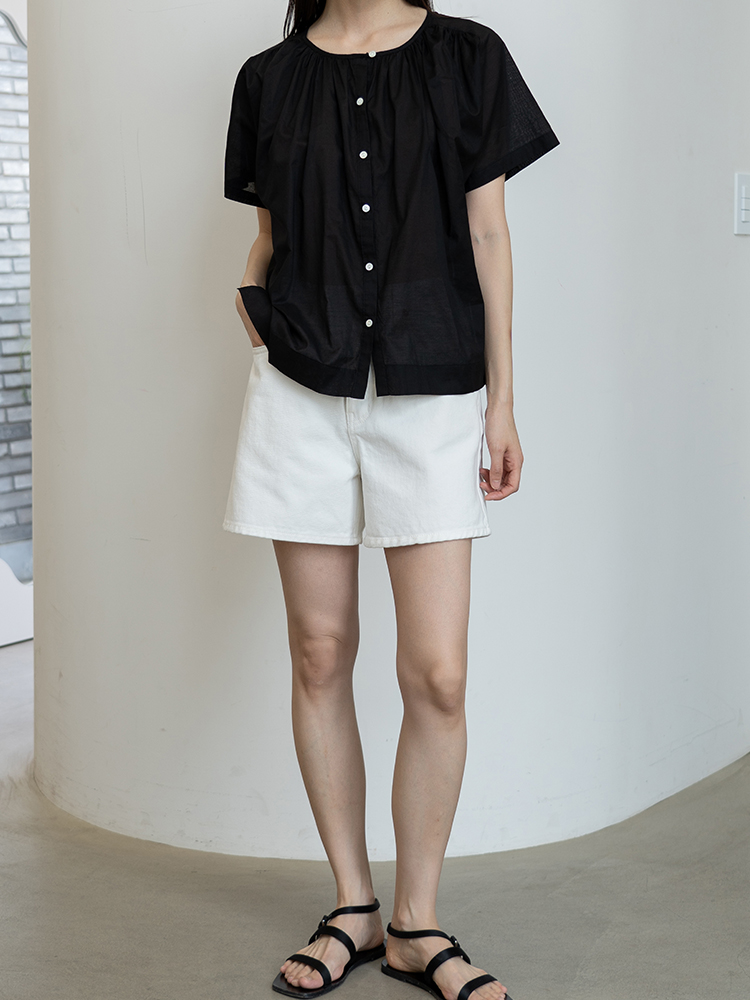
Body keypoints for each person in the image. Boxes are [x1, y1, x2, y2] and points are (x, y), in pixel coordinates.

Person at [222, 2, 559, 998]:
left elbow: (489, 234)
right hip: (300, 391)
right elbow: (267, 237)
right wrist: (251, 302)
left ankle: (418, 923)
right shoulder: (268, 78)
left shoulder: (468, 57)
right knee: (320, 651)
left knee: (438, 675)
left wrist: (504, 404)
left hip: (434, 390)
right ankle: (354, 906)